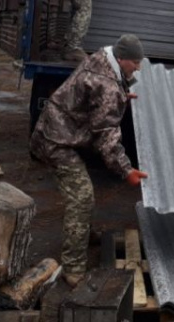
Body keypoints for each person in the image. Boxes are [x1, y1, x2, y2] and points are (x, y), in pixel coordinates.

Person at [29, 34, 149, 287]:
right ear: (120, 58)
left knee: (83, 192)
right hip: (56, 141)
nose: (138, 67)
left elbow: (94, 92)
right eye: (135, 62)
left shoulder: (100, 60)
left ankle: (83, 234)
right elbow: (106, 138)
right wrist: (126, 171)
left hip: (59, 129)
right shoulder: (107, 85)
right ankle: (73, 268)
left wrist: (121, 96)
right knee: (81, 197)